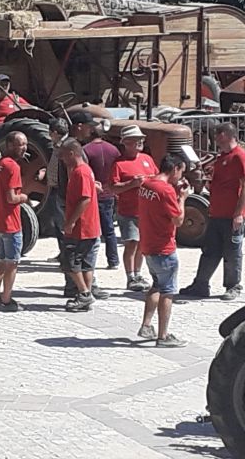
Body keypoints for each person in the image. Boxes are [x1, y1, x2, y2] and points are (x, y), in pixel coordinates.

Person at [179, 122, 245, 301]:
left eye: (218, 135)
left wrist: (239, 213)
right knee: (210, 251)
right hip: (216, 213)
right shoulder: (222, 157)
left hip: (231, 215)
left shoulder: (239, 156)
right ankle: (200, 284)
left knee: (232, 252)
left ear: (226, 135)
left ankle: (233, 286)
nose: (215, 139)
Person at [137, 154, 189, 347]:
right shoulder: (166, 190)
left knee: (156, 285)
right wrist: (182, 198)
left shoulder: (146, 185)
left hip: (148, 246)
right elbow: (178, 220)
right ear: (175, 169)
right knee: (167, 292)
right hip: (164, 248)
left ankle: (146, 325)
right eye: (181, 171)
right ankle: (163, 336)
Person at [109, 125, 158, 291]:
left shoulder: (147, 159)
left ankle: (138, 274)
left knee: (142, 245)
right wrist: (131, 184)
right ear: (126, 143)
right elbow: (113, 188)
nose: (140, 142)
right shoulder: (119, 164)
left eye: (141, 139)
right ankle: (130, 276)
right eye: (136, 139)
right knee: (131, 243)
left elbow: (156, 177)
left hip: (147, 210)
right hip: (129, 211)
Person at [0, 131, 29, 312]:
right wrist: (24, 197)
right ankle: (6, 299)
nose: (24, 148)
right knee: (12, 263)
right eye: (21, 144)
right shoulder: (13, 167)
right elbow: (12, 197)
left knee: (1, 261)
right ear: (10, 145)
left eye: (25, 143)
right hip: (11, 223)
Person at [59, 138, 102, 312]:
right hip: (90, 226)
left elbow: (85, 199)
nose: (61, 158)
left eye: (63, 155)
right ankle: (85, 293)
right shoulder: (85, 171)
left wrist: (70, 222)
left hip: (82, 227)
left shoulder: (80, 172)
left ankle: (84, 293)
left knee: (69, 261)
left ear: (71, 154)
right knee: (86, 264)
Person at [83, 123, 121, 269]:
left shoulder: (86, 150)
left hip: (92, 193)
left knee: (90, 230)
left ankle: (88, 261)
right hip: (109, 193)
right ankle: (113, 260)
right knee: (109, 230)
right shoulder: (113, 149)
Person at [44, 117, 69, 263]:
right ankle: (63, 253)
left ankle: (66, 255)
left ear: (54, 132)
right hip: (54, 187)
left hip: (61, 190)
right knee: (59, 225)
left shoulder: (65, 146)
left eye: (50, 133)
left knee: (62, 225)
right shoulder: (56, 145)